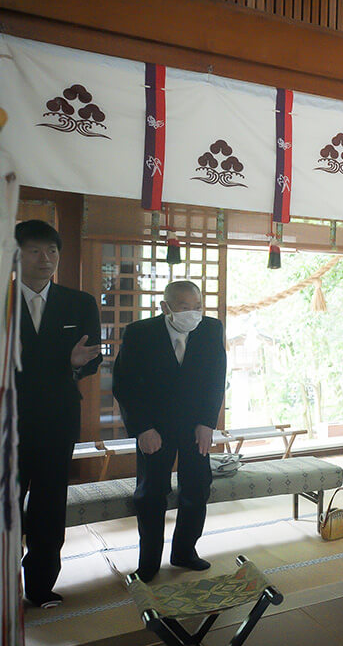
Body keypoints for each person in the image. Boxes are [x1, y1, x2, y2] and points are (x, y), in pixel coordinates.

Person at [112, 280, 226, 582]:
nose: (192, 313)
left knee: (197, 487)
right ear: (165, 307)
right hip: (154, 428)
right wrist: (142, 428)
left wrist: (207, 423)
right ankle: (148, 562)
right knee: (151, 493)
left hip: (195, 427)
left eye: (197, 306)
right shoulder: (140, 333)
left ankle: (184, 552)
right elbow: (124, 385)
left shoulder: (211, 330)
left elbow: (216, 379)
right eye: (184, 306)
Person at [13, 220, 102, 608]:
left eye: (51, 251)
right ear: (16, 255)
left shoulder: (78, 302)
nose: (45, 259)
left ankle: (40, 587)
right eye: (34, 250)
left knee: (50, 504)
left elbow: (92, 360)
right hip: (7, 422)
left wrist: (78, 364)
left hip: (56, 419)